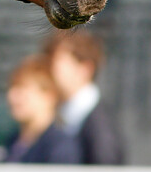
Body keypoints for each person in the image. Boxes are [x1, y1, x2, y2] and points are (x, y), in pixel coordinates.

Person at [43, 30, 125, 164]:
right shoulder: (68, 118)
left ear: (85, 68)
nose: (49, 70)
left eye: (56, 63)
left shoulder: (100, 128)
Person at [3, 55, 81, 164]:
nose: (12, 96)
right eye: (12, 88)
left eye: (22, 89)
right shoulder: (12, 141)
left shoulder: (60, 147)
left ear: (49, 95)